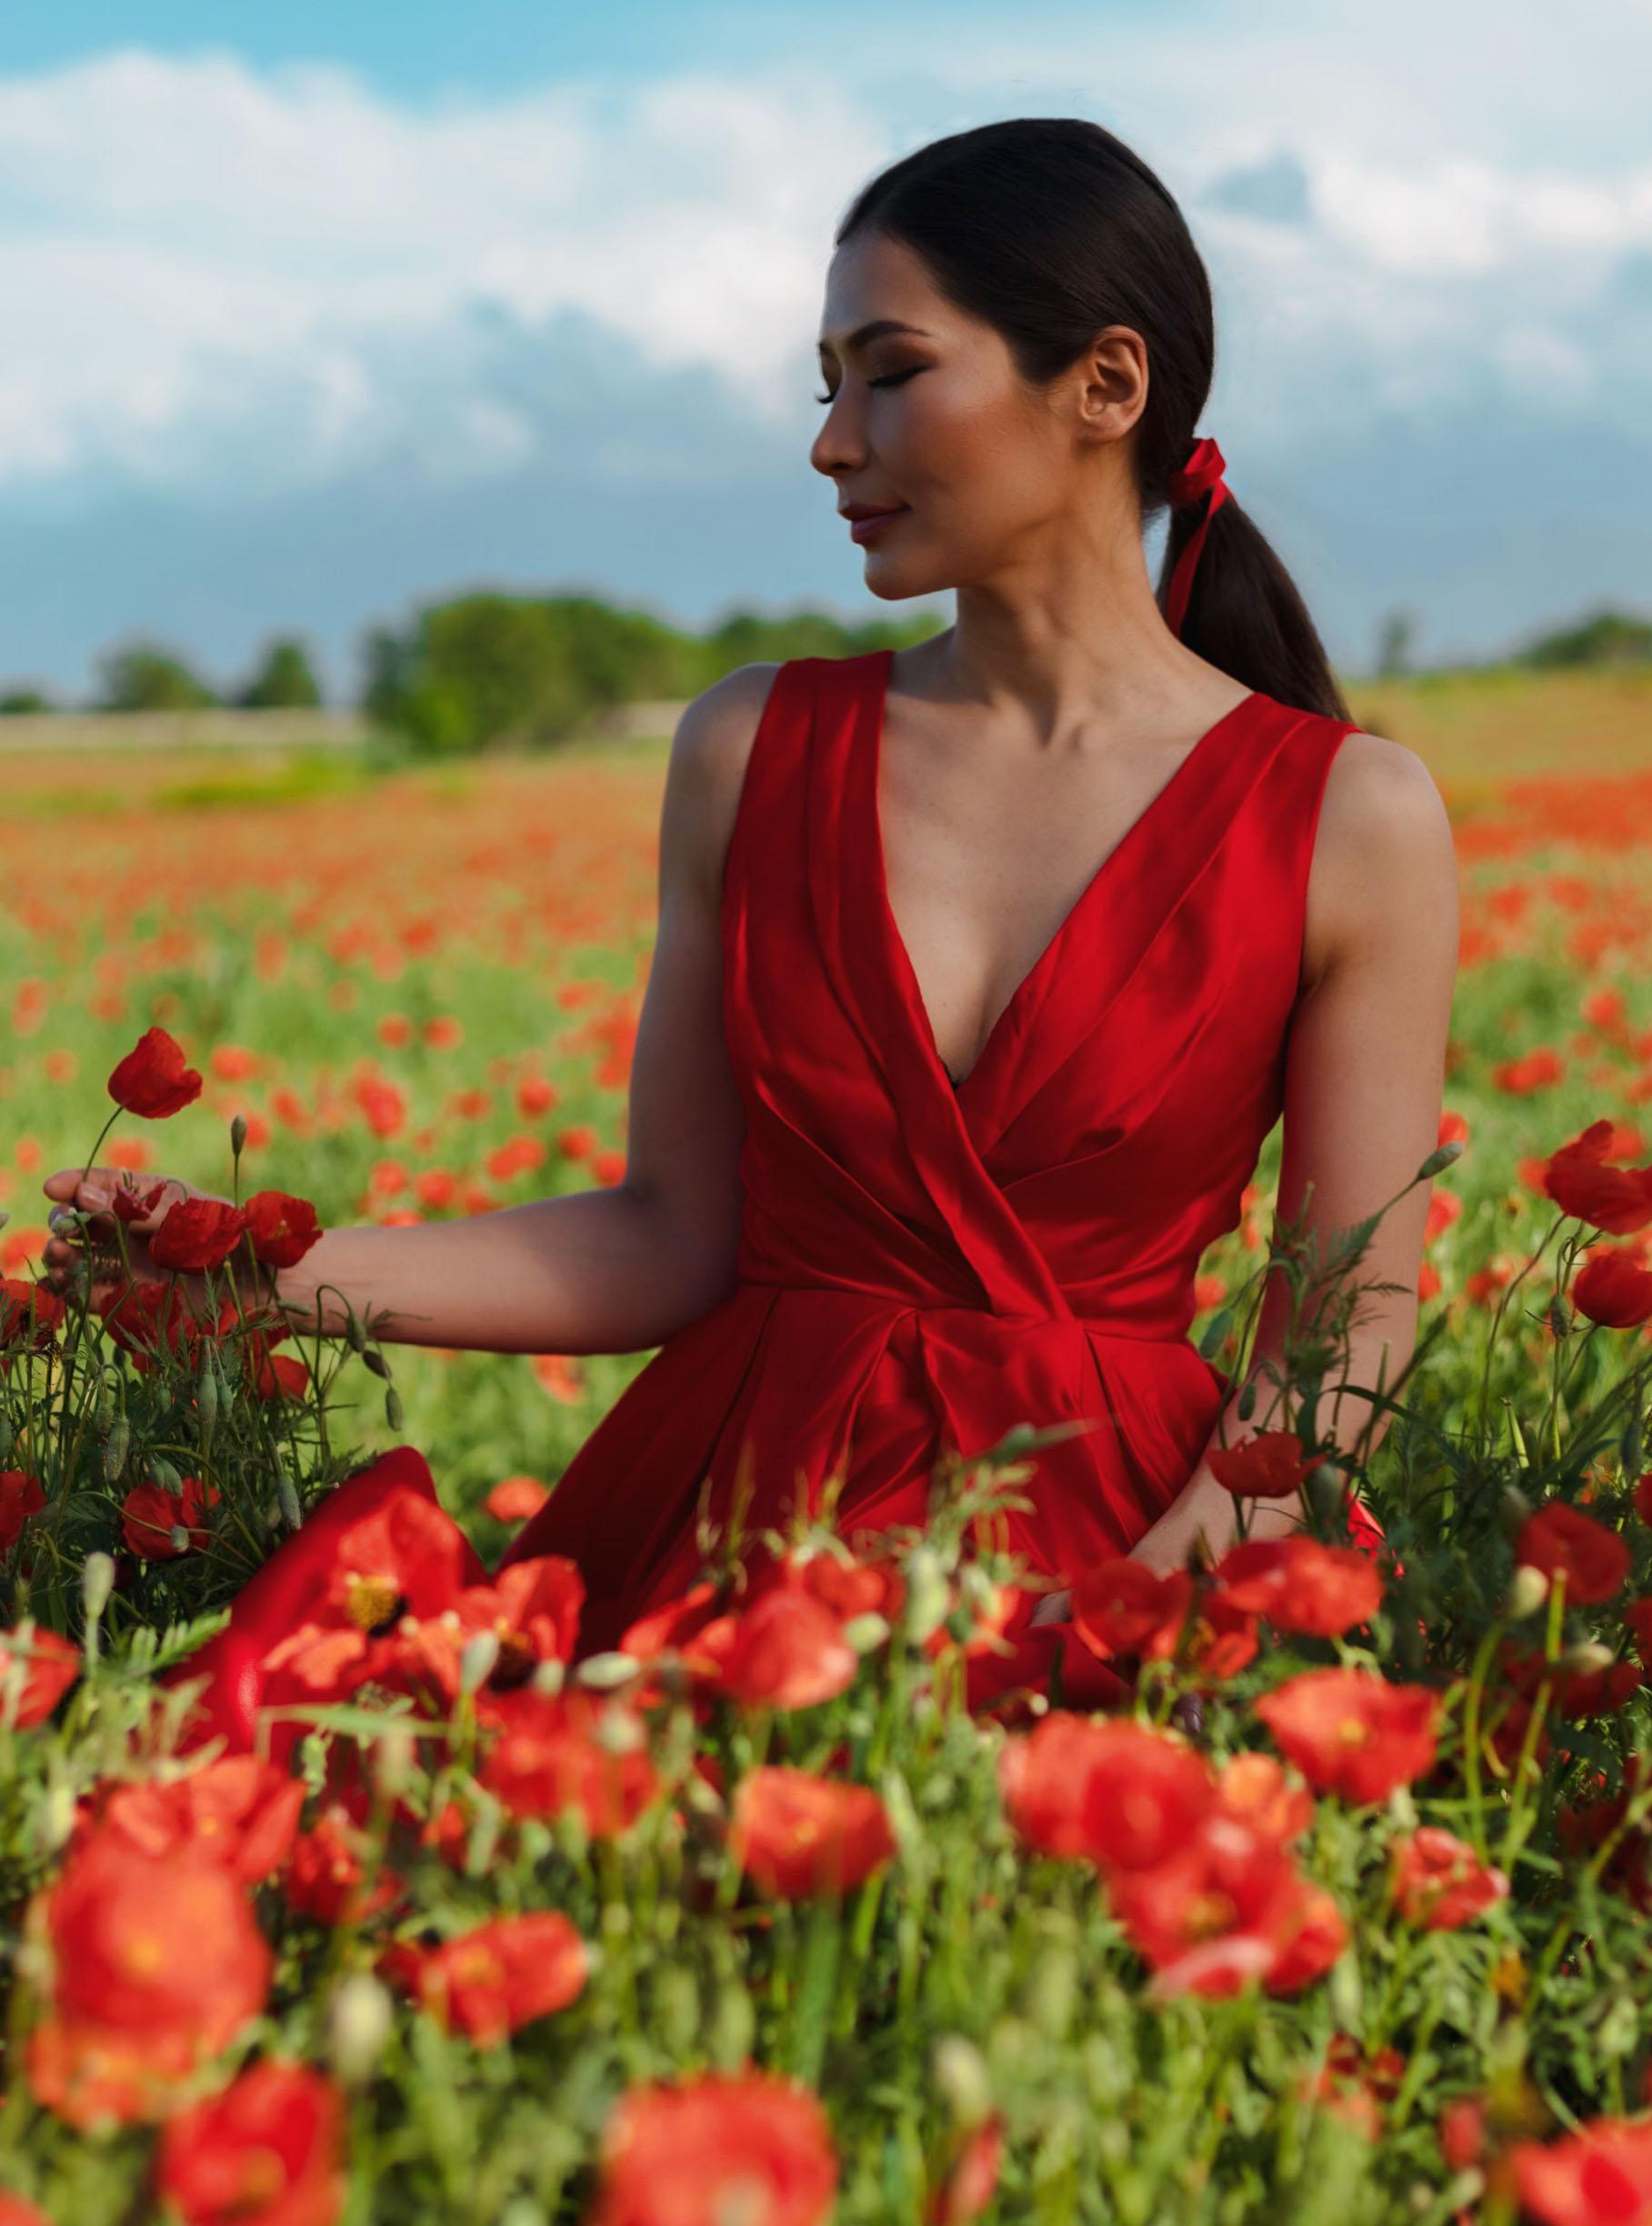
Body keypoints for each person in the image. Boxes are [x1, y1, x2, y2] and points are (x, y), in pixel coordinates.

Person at [40, 118, 1457, 1670]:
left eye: (892, 371)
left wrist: (1119, 1635)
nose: (832, 442)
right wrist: (256, 1266)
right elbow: (670, 1235)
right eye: (825, 383)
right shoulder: (752, 747)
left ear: (1105, 386)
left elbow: (1338, 1340)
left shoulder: (1344, 815)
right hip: (729, 1539)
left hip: (1121, 1551)